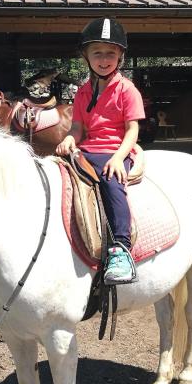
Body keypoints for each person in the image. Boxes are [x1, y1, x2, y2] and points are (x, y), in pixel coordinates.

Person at [55, 17, 145, 284]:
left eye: (110, 53)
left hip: (115, 151)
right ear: (86, 57)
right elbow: (78, 130)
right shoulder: (83, 92)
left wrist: (119, 157)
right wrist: (70, 139)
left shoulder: (127, 90)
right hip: (86, 151)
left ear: (120, 57)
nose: (103, 59)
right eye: (97, 53)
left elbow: (132, 130)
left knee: (111, 181)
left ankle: (121, 248)